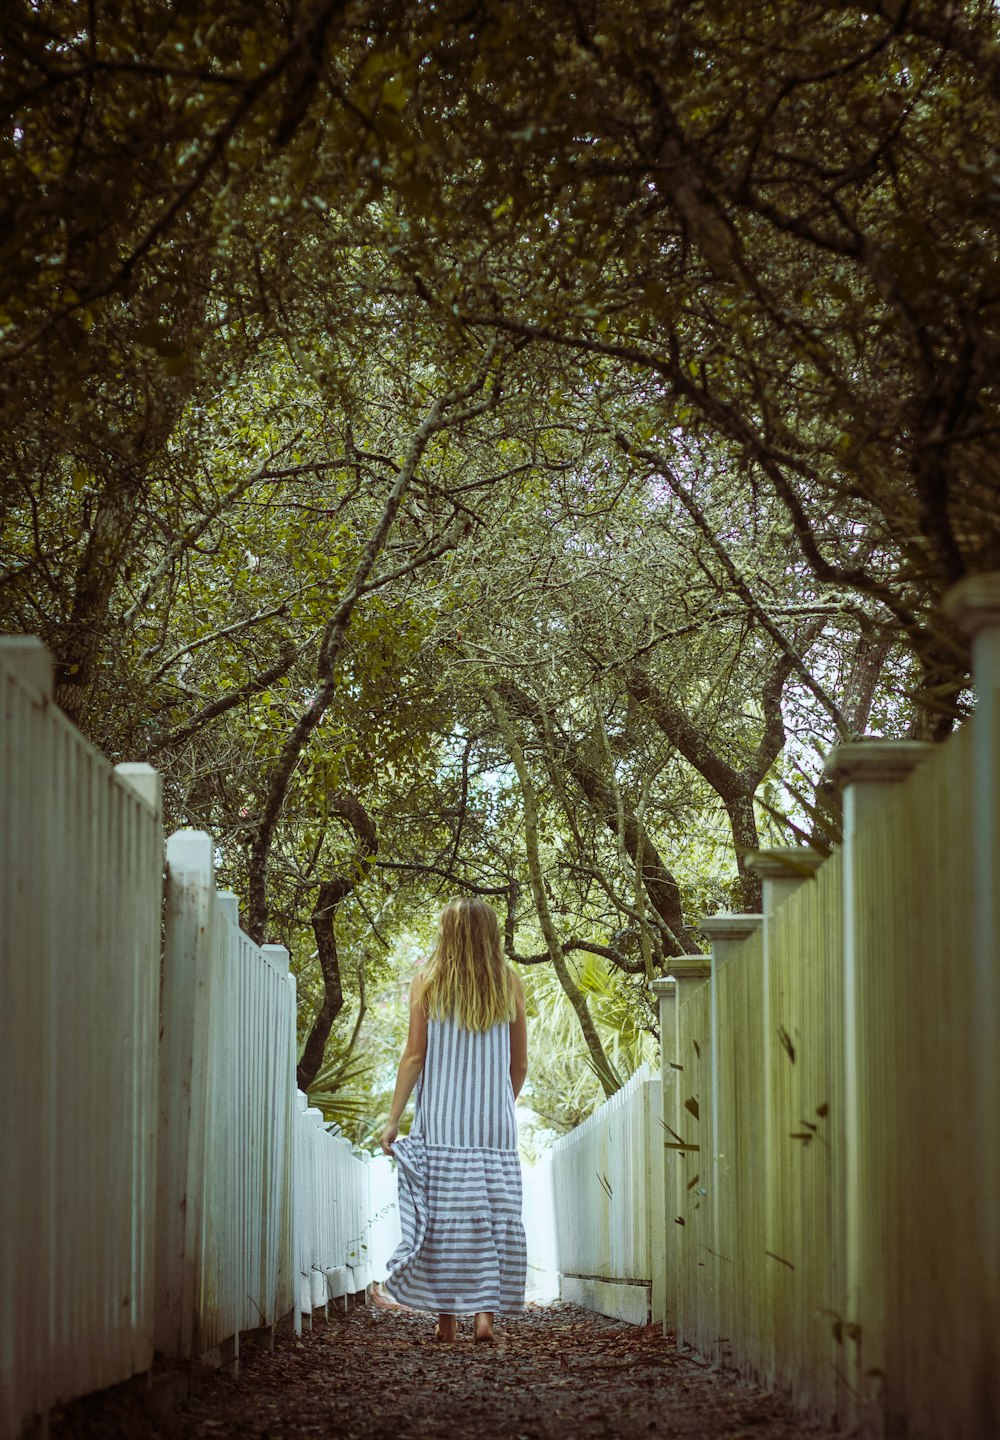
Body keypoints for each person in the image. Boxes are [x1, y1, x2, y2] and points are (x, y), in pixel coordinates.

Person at [379, 896, 528, 1342]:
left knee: (443, 1217)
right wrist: (501, 1104)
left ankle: (446, 1322)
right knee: (492, 1216)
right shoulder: (509, 982)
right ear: (491, 933)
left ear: (449, 932)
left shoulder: (428, 980)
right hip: (493, 1128)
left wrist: (393, 1119)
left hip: (441, 1124)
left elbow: (414, 1056)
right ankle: (485, 1318)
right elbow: (518, 1064)